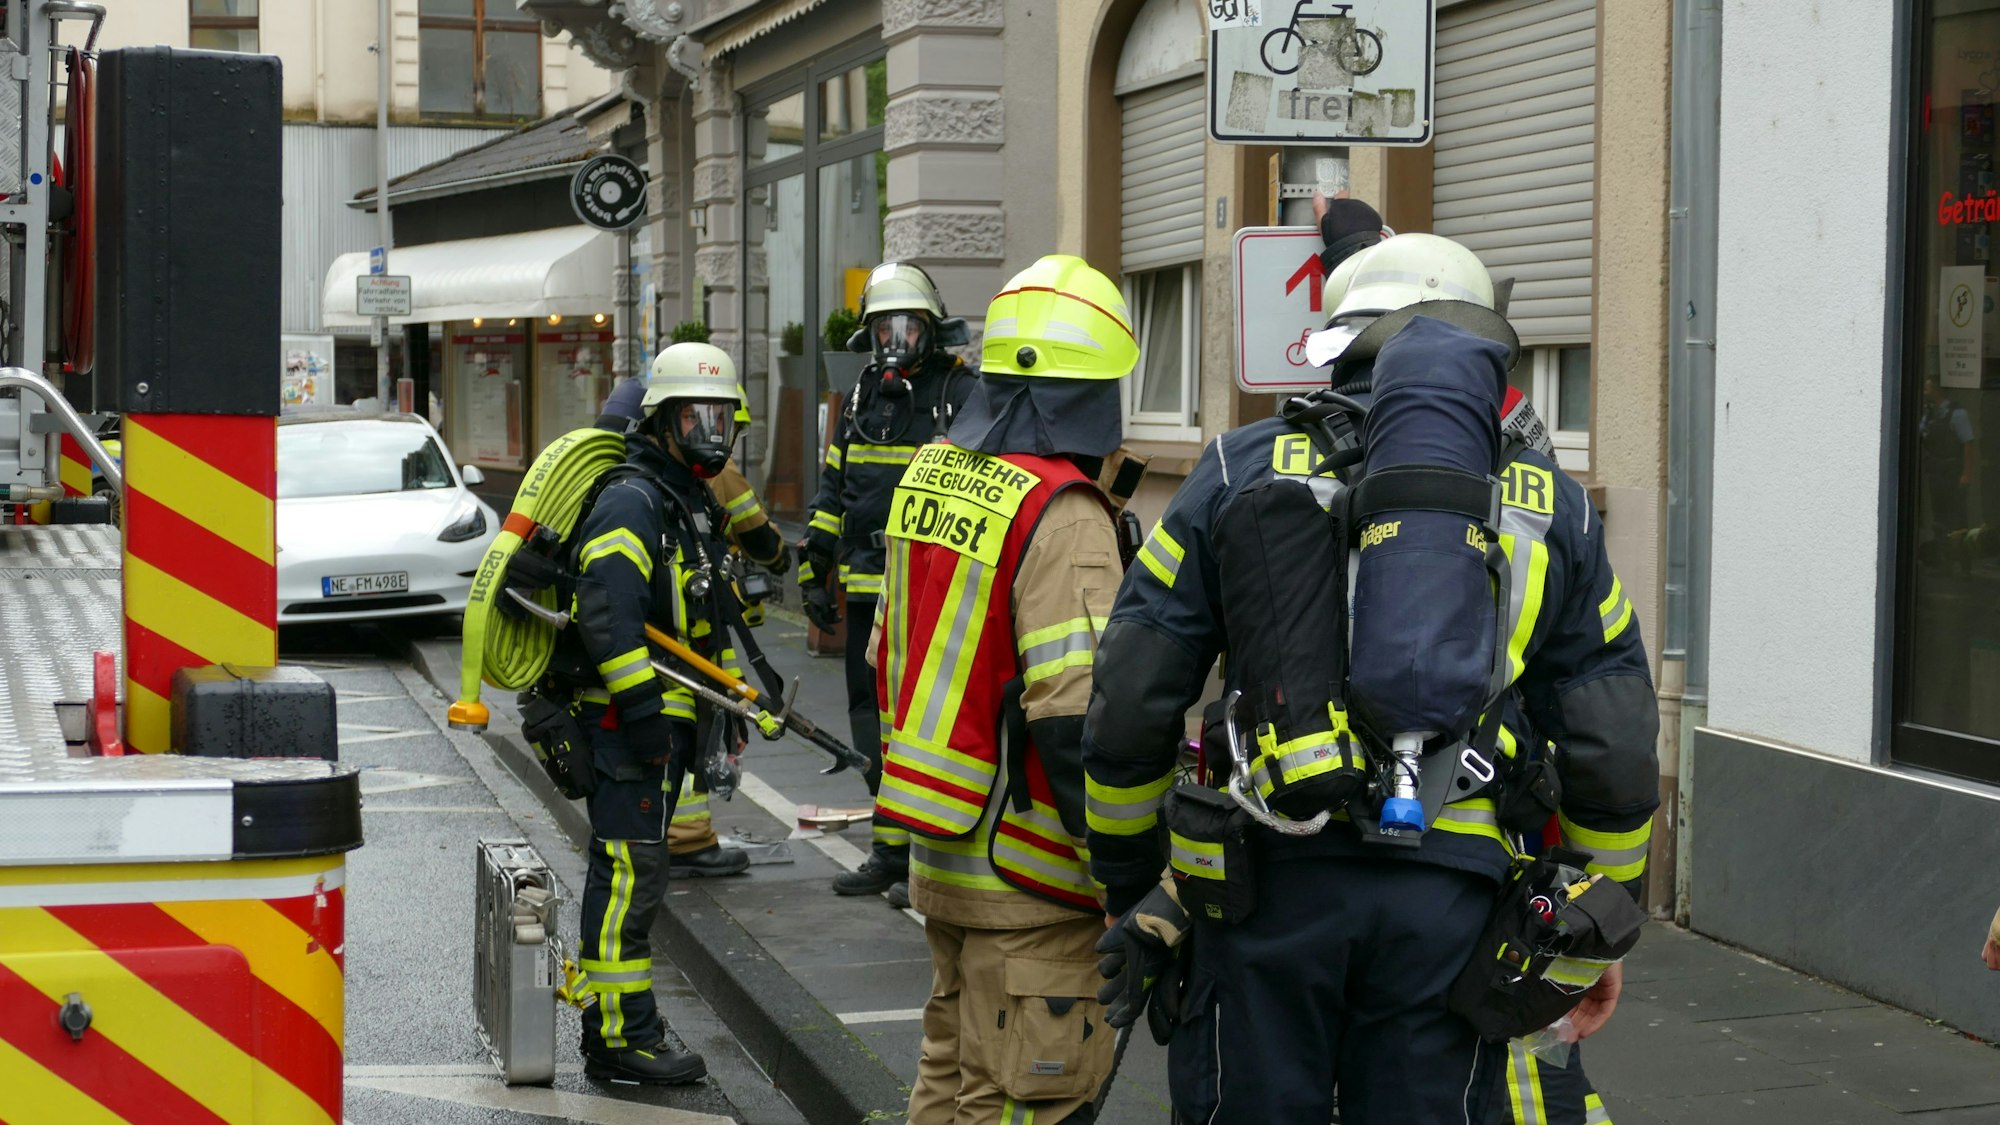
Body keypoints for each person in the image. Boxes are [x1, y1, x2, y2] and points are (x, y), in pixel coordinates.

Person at [1083, 233, 1659, 1123]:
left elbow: (1132, 691)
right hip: (1457, 900)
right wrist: (1593, 920)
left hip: (1264, 881)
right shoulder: (1555, 505)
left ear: (1341, 341)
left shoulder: (1236, 467)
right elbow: (1613, 739)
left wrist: (1130, 885)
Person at [872, 254, 1131, 1124]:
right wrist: (1123, 875)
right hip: (1031, 871)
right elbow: (1077, 724)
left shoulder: (930, 473)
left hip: (941, 845)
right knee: (1023, 1098)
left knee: (948, 1080)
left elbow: (887, 652)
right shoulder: (1065, 513)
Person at [559, 342, 753, 1085]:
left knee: (635, 873)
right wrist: (642, 713)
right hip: (625, 725)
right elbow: (607, 609)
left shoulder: (682, 500)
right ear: (662, 423)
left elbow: (696, 614)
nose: (710, 432)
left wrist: (723, 707)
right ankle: (620, 1038)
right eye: (694, 417)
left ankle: (621, 1023)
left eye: (720, 418)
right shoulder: (634, 500)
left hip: (660, 722)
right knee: (627, 877)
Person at [801, 262, 977, 904]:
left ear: (931, 330)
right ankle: (889, 852)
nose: (895, 342)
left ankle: (926, 859)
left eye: (907, 328)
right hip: (866, 581)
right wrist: (815, 564)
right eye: (883, 330)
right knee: (870, 717)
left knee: (923, 719)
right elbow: (834, 485)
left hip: (930, 587)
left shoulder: (960, 392)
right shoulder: (860, 395)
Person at [597, 376, 791, 879]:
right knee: (686, 728)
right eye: (694, 416)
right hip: (676, 649)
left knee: (693, 732)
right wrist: (779, 558)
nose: (709, 430)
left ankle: (667, 837)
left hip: (669, 646)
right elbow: (755, 530)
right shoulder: (674, 481)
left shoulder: (625, 477)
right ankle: (686, 838)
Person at [1919, 376, 1977, 537]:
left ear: (1937, 389)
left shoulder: (1957, 414)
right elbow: (1921, 434)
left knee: (1956, 515)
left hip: (1953, 473)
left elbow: (1968, 444)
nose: (1924, 393)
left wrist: (1966, 474)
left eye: (1927, 389)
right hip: (1935, 473)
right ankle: (1942, 546)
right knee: (1939, 515)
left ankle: (1960, 549)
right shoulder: (1930, 414)